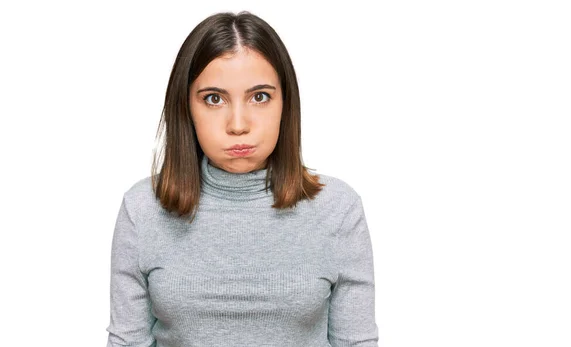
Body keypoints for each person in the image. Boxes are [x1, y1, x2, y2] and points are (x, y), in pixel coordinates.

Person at [106, 10, 379, 347]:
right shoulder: (143, 210)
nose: (238, 124)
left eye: (259, 97)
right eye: (214, 99)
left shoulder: (338, 209)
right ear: (186, 108)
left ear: (285, 103)